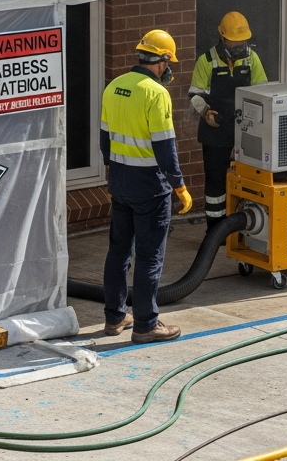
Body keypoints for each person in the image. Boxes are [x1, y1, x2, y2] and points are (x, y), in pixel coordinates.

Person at [99, 30, 194, 342]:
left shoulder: (113, 87)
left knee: (118, 251)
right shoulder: (156, 94)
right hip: (150, 188)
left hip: (121, 183)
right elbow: (165, 148)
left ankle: (114, 318)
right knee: (149, 256)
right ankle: (145, 324)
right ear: (163, 62)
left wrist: (113, 175)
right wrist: (179, 187)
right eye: (169, 63)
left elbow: (104, 140)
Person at [188, 11, 266, 230]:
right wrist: (205, 112)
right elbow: (195, 93)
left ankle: (249, 223)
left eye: (243, 41)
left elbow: (263, 91)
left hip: (246, 128)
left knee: (251, 176)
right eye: (235, 41)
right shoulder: (206, 60)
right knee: (215, 178)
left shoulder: (252, 58)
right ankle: (215, 228)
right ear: (223, 37)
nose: (239, 45)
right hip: (215, 128)